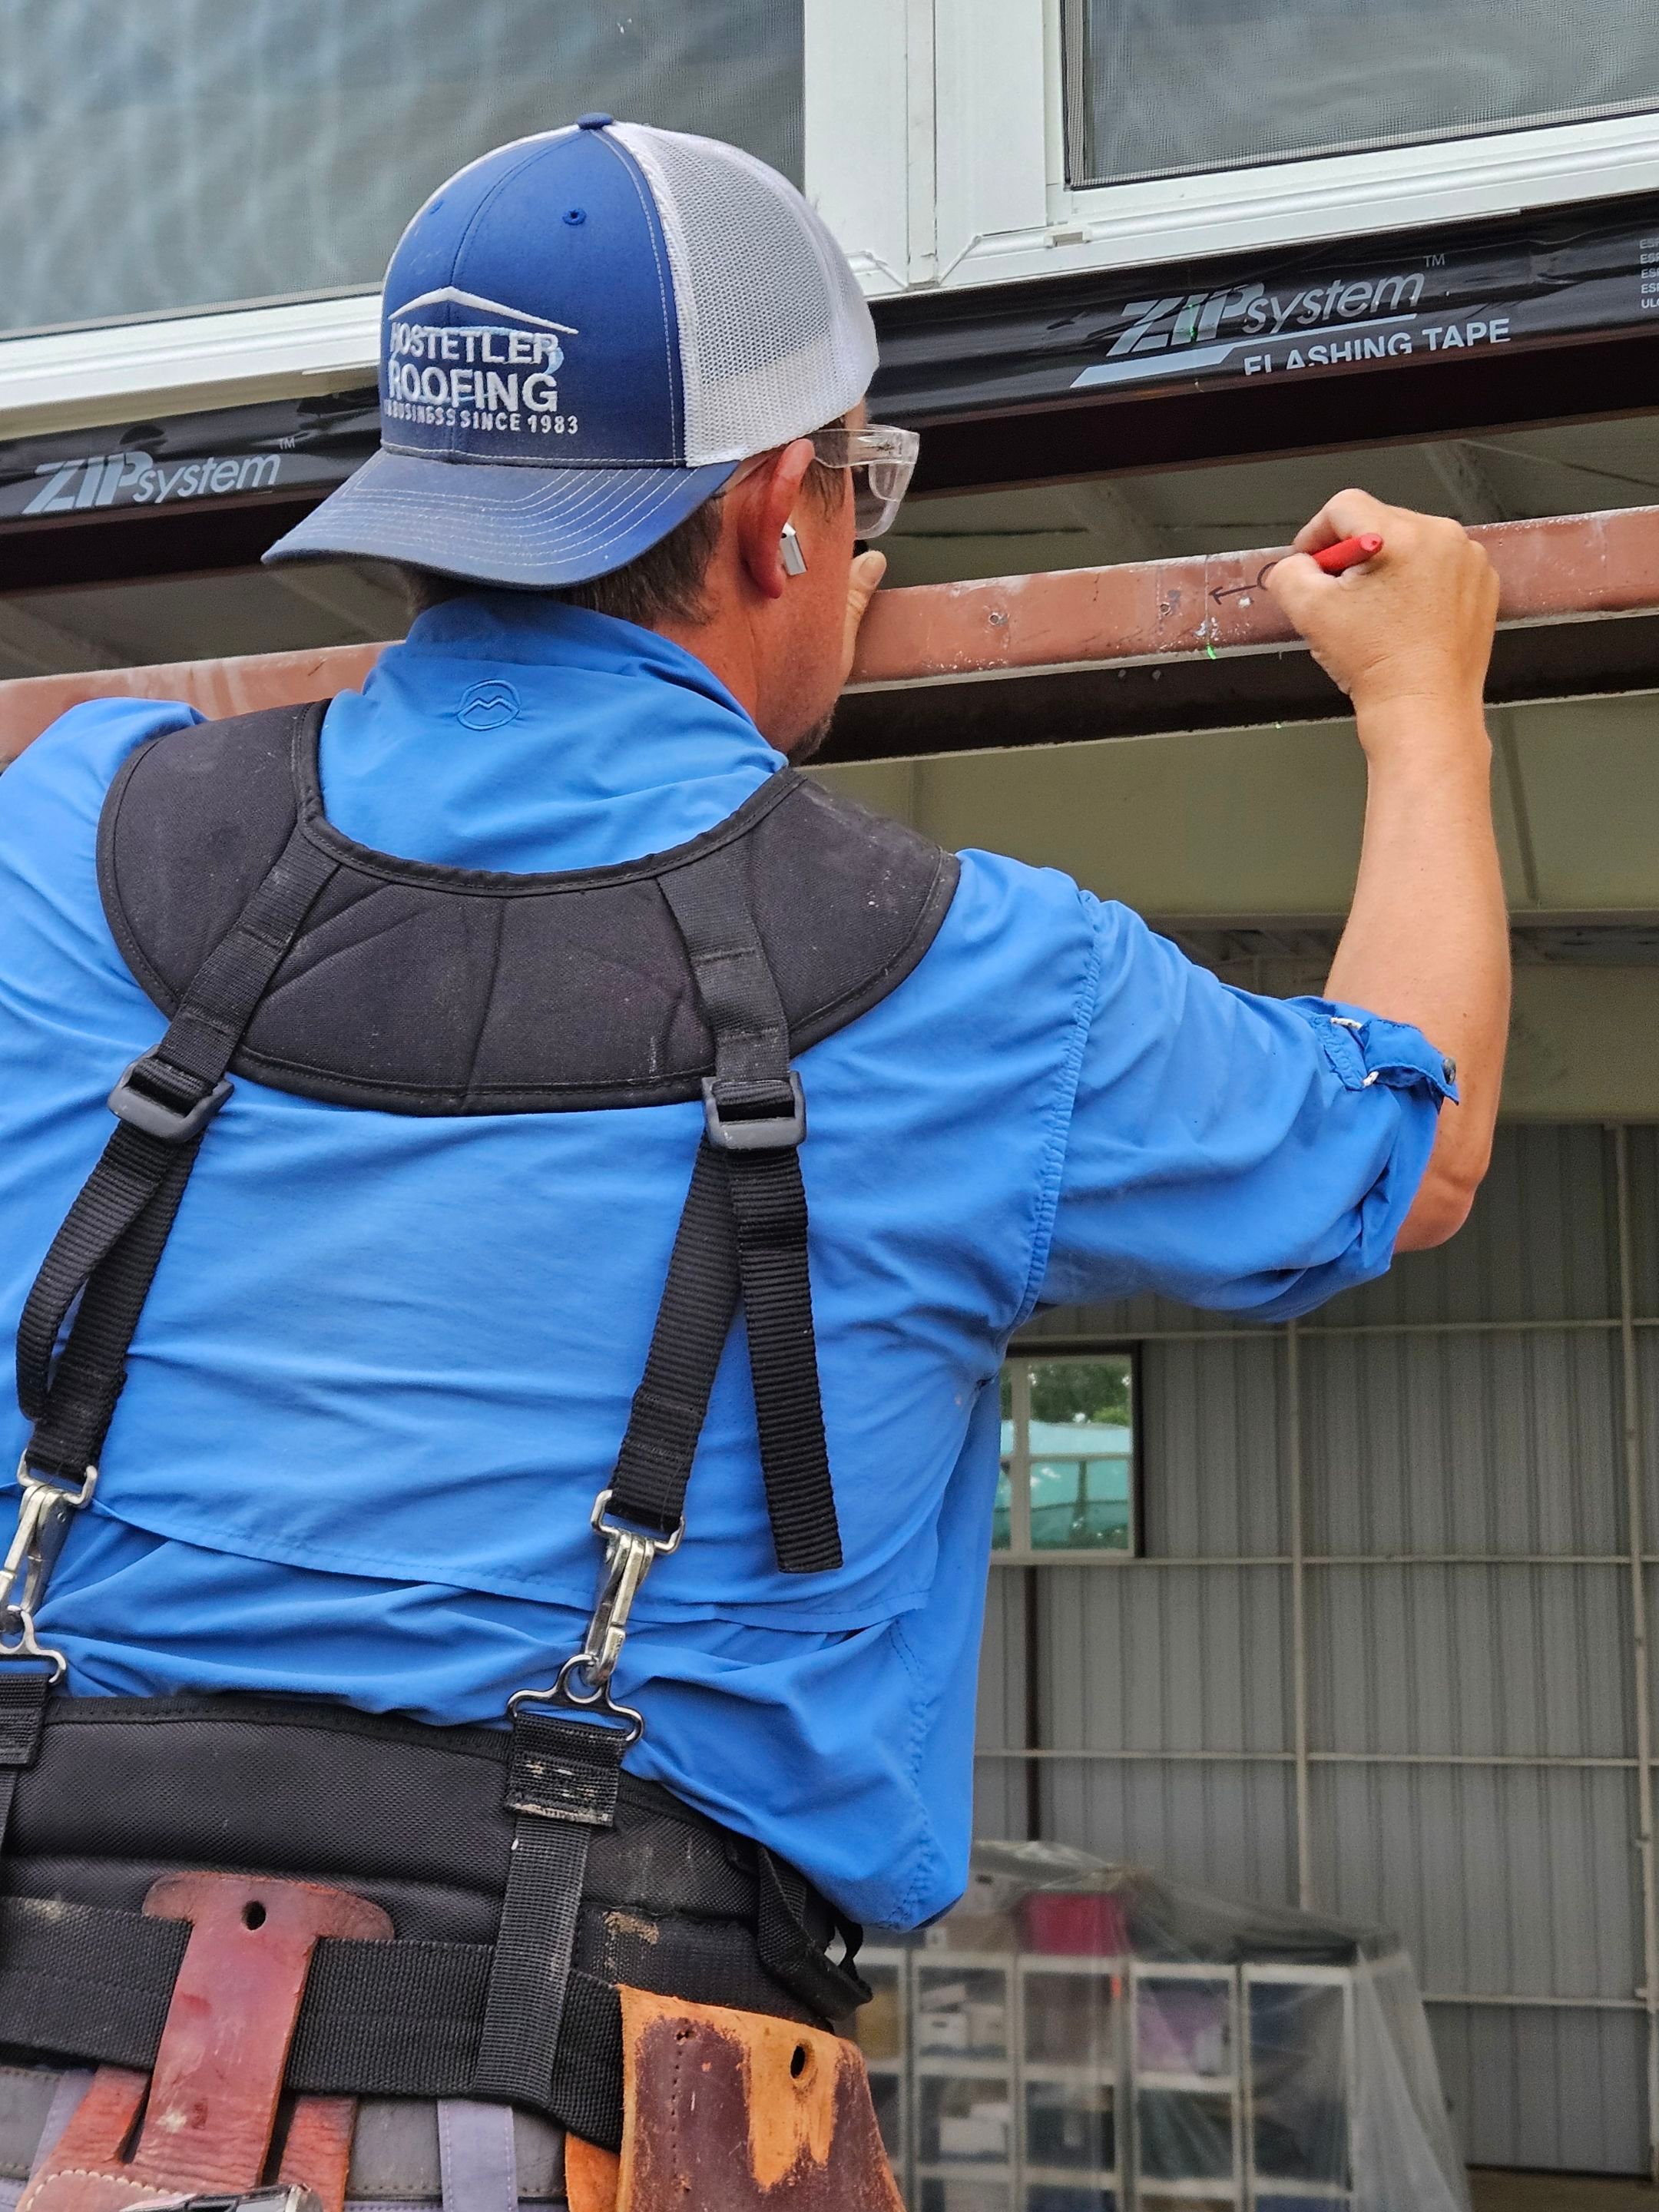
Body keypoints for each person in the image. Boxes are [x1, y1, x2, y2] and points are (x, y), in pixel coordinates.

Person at [0, 117, 1505, 2212]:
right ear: (779, 517)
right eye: (856, 488)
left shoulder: (71, 833)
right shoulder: (972, 974)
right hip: (569, 2093)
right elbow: (1403, 1149)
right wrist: (1429, 703)